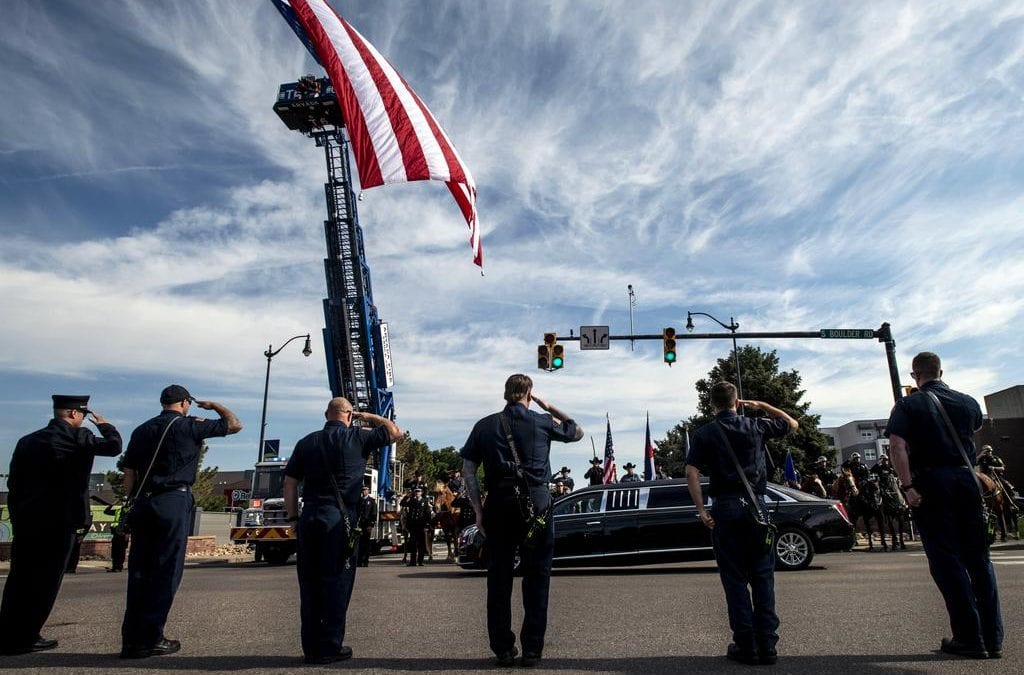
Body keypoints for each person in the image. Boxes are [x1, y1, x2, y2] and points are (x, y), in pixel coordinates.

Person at [461, 374, 583, 667]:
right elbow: (576, 431)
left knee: (499, 577)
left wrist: (478, 510)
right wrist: (549, 406)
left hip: (499, 504)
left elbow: (468, 470)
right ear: (529, 393)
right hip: (537, 504)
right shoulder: (541, 421)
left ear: (505, 393)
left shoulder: (484, 425)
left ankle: (502, 648)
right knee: (537, 576)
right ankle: (532, 649)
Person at [886, 352, 1002, 660]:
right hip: (967, 479)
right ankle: (993, 637)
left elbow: (897, 446)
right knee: (980, 560)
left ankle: (969, 637)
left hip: (933, 482)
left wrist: (908, 486)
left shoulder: (908, 404)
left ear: (915, 376)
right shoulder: (967, 402)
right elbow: (973, 430)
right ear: (941, 371)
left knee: (947, 561)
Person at [119, 385, 241, 659]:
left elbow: (129, 472)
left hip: (143, 502)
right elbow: (234, 425)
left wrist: (129, 503)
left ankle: (131, 640)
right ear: (185, 403)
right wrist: (216, 406)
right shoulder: (190, 426)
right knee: (166, 571)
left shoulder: (141, 430)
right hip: (172, 502)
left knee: (140, 571)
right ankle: (151, 637)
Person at [686, 382, 798, 666]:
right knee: (762, 576)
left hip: (724, 507)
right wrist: (762, 405)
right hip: (757, 506)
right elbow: (791, 424)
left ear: (712, 405)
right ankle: (768, 645)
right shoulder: (757, 426)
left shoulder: (705, 433)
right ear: (737, 402)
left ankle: (746, 645)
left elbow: (691, 471)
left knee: (734, 579)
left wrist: (701, 509)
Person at [0, 395, 121, 656]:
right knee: (45, 581)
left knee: (19, 578)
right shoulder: (80, 437)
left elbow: (14, 484)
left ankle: (8, 633)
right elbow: (114, 447)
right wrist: (104, 425)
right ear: (76, 414)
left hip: (27, 519)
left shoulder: (27, 441)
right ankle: (27, 636)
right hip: (59, 519)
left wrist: (18, 514)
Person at [283, 397, 400, 664]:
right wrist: (369, 416)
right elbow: (395, 432)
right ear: (348, 415)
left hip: (309, 516)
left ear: (326, 414)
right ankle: (330, 646)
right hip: (339, 519)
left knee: (309, 584)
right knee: (337, 581)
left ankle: (311, 647)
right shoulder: (358, 437)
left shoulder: (307, 442)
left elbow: (290, 482)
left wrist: (293, 518)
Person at [401, 487, 433, 566]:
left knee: (421, 544)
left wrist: (427, 525)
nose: (417, 493)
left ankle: (420, 561)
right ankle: (413, 561)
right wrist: (407, 496)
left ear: (421, 493)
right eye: (416, 492)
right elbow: (402, 503)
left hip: (421, 525)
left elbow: (427, 514)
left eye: (418, 492)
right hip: (413, 525)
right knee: (413, 543)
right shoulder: (412, 500)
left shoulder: (425, 501)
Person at [356, 485, 378, 567]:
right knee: (359, 543)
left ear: (368, 491)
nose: (364, 491)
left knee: (366, 543)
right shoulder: (359, 501)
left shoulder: (372, 501)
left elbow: (374, 513)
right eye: (363, 490)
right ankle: (359, 561)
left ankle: (365, 561)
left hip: (367, 525)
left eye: (366, 490)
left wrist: (371, 524)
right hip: (360, 524)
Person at [105, 500, 130, 573]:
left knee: (121, 551)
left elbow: (130, 522)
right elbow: (106, 511)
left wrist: (128, 533)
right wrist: (112, 504)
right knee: (115, 551)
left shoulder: (129, 511)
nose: (124, 502)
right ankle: (114, 567)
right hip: (116, 533)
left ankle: (119, 567)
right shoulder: (118, 510)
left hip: (123, 534)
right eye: (123, 501)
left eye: (125, 501)